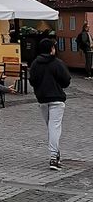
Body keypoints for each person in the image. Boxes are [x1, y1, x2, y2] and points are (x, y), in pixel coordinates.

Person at [29, 38, 71, 170]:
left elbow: (32, 81)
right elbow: (66, 81)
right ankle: (54, 157)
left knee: (50, 126)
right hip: (57, 99)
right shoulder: (57, 63)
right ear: (51, 49)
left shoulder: (35, 63)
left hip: (42, 99)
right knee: (54, 127)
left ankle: (55, 153)